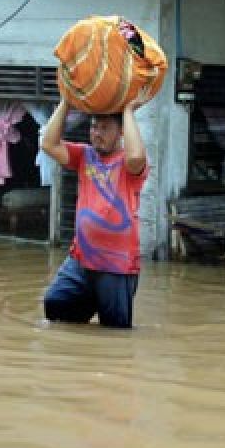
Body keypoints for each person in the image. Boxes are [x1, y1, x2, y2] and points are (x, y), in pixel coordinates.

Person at [38, 93, 149, 328]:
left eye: (105, 128)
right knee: (55, 305)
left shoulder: (130, 165)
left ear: (120, 133)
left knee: (115, 332)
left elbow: (137, 154)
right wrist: (66, 103)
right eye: (93, 126)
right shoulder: (84, 156)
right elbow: (48, 143)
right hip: (81, 260)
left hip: (117, 266)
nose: (96, 133)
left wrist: (128, 111)